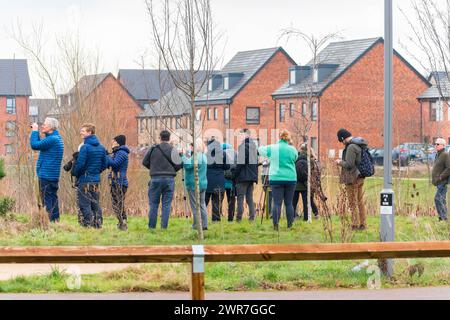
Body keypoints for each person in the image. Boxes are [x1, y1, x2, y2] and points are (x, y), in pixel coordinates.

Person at [258, 130, 298, 230]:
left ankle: (276, 225)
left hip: (276, 178)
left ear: (279, 137)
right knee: (289, 203)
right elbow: (295, 158)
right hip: (290, 178)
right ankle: (290, 225)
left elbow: (259, 150)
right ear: (288, 138)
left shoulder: (273, 148)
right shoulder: (292, 149)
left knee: (277, 203)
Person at [143, 130, 182, 230]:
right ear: (169, 138)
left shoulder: (153, 149)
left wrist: (153, 168)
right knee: (166, 204)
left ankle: (151, 228)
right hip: (169, 179)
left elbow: (144, 162)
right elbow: (179, 165)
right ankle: (163, 228)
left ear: (160, 138)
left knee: (153, 204)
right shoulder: (173, 150)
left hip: (155, 178)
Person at [73, 123, 108, 228]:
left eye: (83, 131)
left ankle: (87, 225)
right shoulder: (102, 148)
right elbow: (105, 164)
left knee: (85, 204)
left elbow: (80, 164)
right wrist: (96, 171)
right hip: (96, 181)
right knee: (95, 203)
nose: (81, 132)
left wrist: (75, 173)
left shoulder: (85, 147)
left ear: (90, 132)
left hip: (84, 180)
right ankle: (98, 224)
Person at [30, 118, 64, 223]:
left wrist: (34, 130)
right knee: (53, 199)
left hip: (46, 175)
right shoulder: (55, 138)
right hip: (52, 176)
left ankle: (48, 223)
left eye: (44, 125)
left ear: (50, 127)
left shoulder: (53, 139)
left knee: (47, 201)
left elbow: (35, 145)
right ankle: (55, 221)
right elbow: (41, 144)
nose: (42, 126)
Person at [335, 128, 368, 231]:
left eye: (341, 141)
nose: (342, 143)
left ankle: (355, 224)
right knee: (360, 201)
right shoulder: (359, 145)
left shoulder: (351, 147)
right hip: (360, 177)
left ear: (343, 138)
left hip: (352, 178)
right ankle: (362, 224)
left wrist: (339, 162)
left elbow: (349, 165)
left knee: (352, 202)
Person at [183, 140, 208, 231]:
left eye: (192, 145)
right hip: (203, 183)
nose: (191, 147)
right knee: (202, 204)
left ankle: (196, 225)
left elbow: (188, 166)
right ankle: (204, 224)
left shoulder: (196, 157)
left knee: (195, 206)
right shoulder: (204, 156)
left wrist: (183, 156)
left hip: (194, 184)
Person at [107, 135, 130, 231]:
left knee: (118, 204)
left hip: (119, 182)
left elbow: (115, 164)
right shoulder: (117, 152)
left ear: (118, 142)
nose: (112, 142)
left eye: (113, 141)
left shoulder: (121, 153)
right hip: (116, 181)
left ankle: (122, 223)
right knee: (117, 203)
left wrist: (106, 156)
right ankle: (122, 222)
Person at [234, 129, 258, 222]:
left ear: (246, 136)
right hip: (251, 177)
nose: (239, 137)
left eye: (241, 135)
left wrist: (235, 174)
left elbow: (240, 163)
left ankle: (238, 219)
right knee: (249, 199)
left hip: (243, 177)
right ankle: (252, 218)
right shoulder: (254, 147)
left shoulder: (243, 147)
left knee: (240, 198)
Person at [205, 138, 230, 222]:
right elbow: (227, 167)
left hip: (207, 180)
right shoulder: (223, 154)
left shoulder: (206, 154)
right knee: (216, 202)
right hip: (219, 180)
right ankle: (216, 220)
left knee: (204, 201)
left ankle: (201, 219)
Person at [293, 144, 319, 221]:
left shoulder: (295, 159)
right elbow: (314, 173)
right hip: (306, 185)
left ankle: (291, 217)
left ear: (300, 150)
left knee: (293, 202)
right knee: (306, 203)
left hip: (296, 184)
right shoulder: (311, 161)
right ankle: (306, 218)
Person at [432, 138, 450, 222]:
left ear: (443, 145)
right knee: (441, 199)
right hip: (438, 182)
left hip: (443, 182)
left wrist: (441, 177)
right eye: (435, 144)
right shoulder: (438, 154)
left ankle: (443, 218)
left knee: (438, 199)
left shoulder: (445, 154)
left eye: (437, 144)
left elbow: (449, 168)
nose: (436, 145)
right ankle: (442, 218)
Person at [222, 143, 237, 222]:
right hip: (232, 181)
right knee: (231, 199)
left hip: (222, 180)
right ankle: (231, 217)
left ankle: (217, 216)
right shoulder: (235, 153)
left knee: (219, 199)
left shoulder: (220, 154)